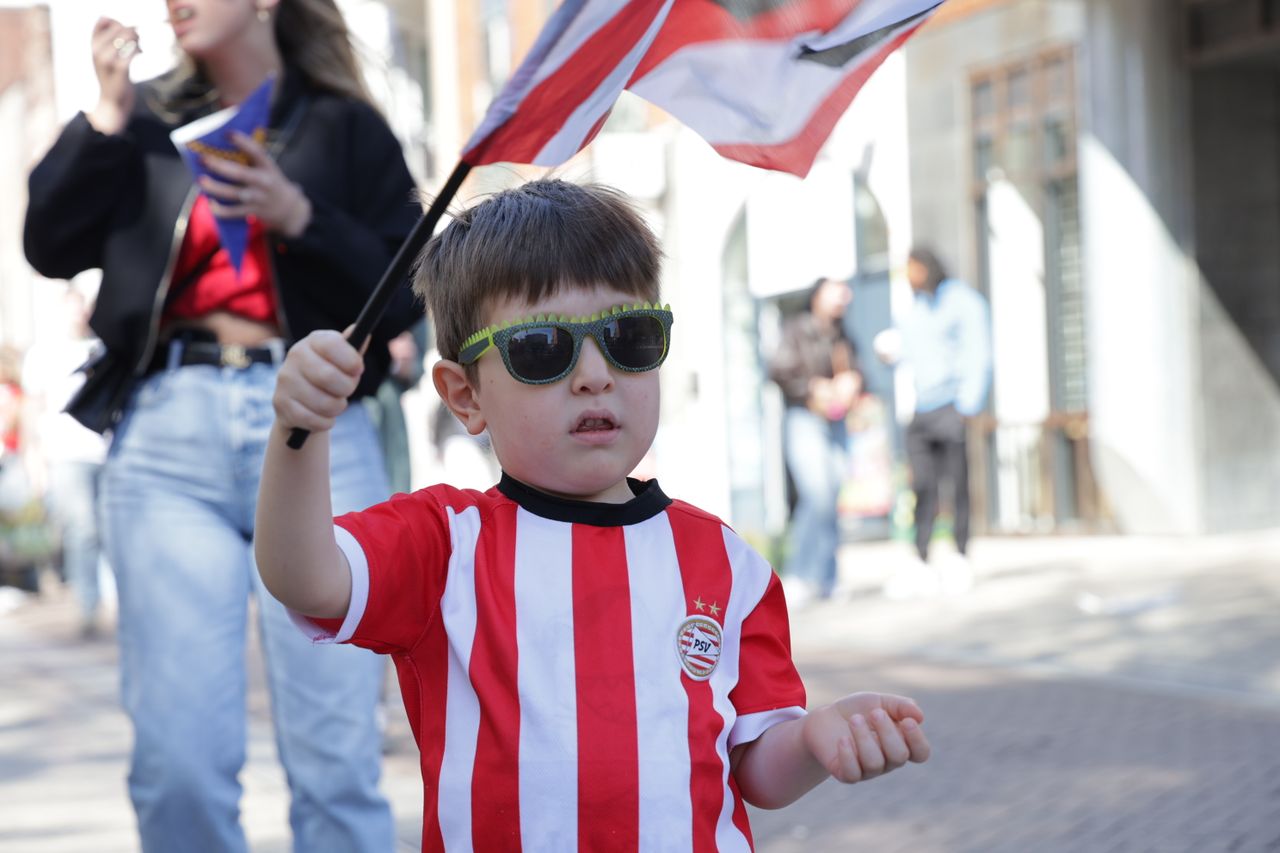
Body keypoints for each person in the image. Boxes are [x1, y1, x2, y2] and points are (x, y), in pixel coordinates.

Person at [255, 179, 931, 850]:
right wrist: (300, 431)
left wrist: (815, 737)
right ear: (465, 396)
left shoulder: (725, 562)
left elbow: (756, 765)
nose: (594, 374)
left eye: (628, 336)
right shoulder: (444, 544)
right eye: (542, 347)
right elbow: (305, 577)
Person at [22, 2, 421, 848]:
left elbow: (410, 287)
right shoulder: (139, 118)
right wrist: (103, 112)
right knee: (180, 767)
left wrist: (299, 215)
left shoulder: (345, 126)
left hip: (317, 425)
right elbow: (48, 244)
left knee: (336, 761)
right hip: (169, 432)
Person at [876, 246, 991, 599]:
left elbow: (978, 351)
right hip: (922, 410)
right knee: (921, 486)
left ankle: (959, 555)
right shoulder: (915, 309)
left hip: (951, 407)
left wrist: (969, 403)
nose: (908, 276)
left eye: (912, 268)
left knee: (955, 484)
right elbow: (909, 352)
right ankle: (921, 558)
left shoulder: (962, 301)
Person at [21, 287, 111, 638]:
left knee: (113, 529)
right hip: (68, 455)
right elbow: (32, 408)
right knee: (83, 530)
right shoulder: (43, 355)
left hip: (106, 451)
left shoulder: (100, 348)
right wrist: (35, 461)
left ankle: (119, 599)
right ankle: (89, 605)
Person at [767, 277, 861, 606]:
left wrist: (852, 383)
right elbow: (778, 370)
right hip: (804, 418)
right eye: (835, 291)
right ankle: (800, 574)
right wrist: (813, 389)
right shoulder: (796, 328)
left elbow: (856, 370)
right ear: (818, 296)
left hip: (836, 422)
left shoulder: (843, 333)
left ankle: (828, 575)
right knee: (817, 494)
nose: (842, 297)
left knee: (831, 496)